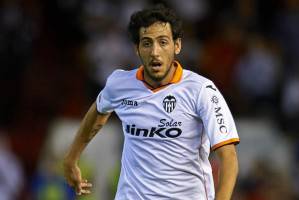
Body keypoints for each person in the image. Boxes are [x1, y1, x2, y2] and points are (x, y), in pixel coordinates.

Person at [63, 5, 240, 200]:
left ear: (177, 45)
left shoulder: (201, 90)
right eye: (147, 43)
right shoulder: (119, 84)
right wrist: (72, 159)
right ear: (137, 49)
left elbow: (228, 157)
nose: (155, 52)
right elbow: (98, 113)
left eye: (163, 42)